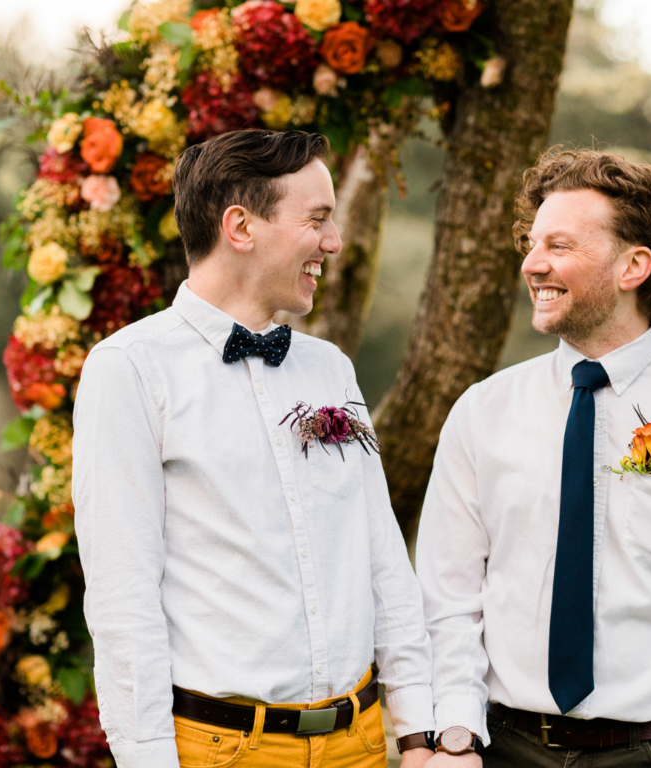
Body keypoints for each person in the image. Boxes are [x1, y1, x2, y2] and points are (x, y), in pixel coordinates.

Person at [73, 130, 436, 768]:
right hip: (223, 751)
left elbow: (382, 561)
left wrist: (418, 733)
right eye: (318, 219)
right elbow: (122, 596)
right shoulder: (128, 369)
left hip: (361, 745)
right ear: (240, 226)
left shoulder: (331, 370)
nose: (334, 241)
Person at [416, 148, 651, 767]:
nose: (532, 264)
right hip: (501, 749)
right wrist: (454, 734)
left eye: (559, 245)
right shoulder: (482, 412)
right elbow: (448, 598)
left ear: (633, 265)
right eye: (532, 245)